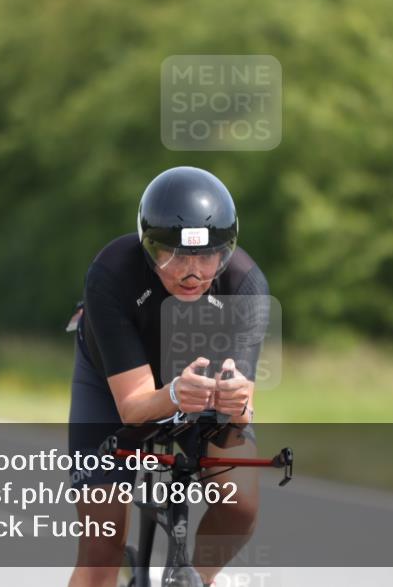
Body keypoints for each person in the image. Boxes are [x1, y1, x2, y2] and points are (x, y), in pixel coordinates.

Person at [67, 166, 270, 587]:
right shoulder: (112, 272)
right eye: (174, 255)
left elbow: (243, 405)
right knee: (101, 548)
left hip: (201, 390)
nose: (191, 273)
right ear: (148, 247)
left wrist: (236, 403)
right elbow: (134, 405)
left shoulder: (245, 285)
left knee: (240, 507)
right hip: (114, 386)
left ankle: (197, 580)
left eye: (207, 256)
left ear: (227, 251)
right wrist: (175, 392)